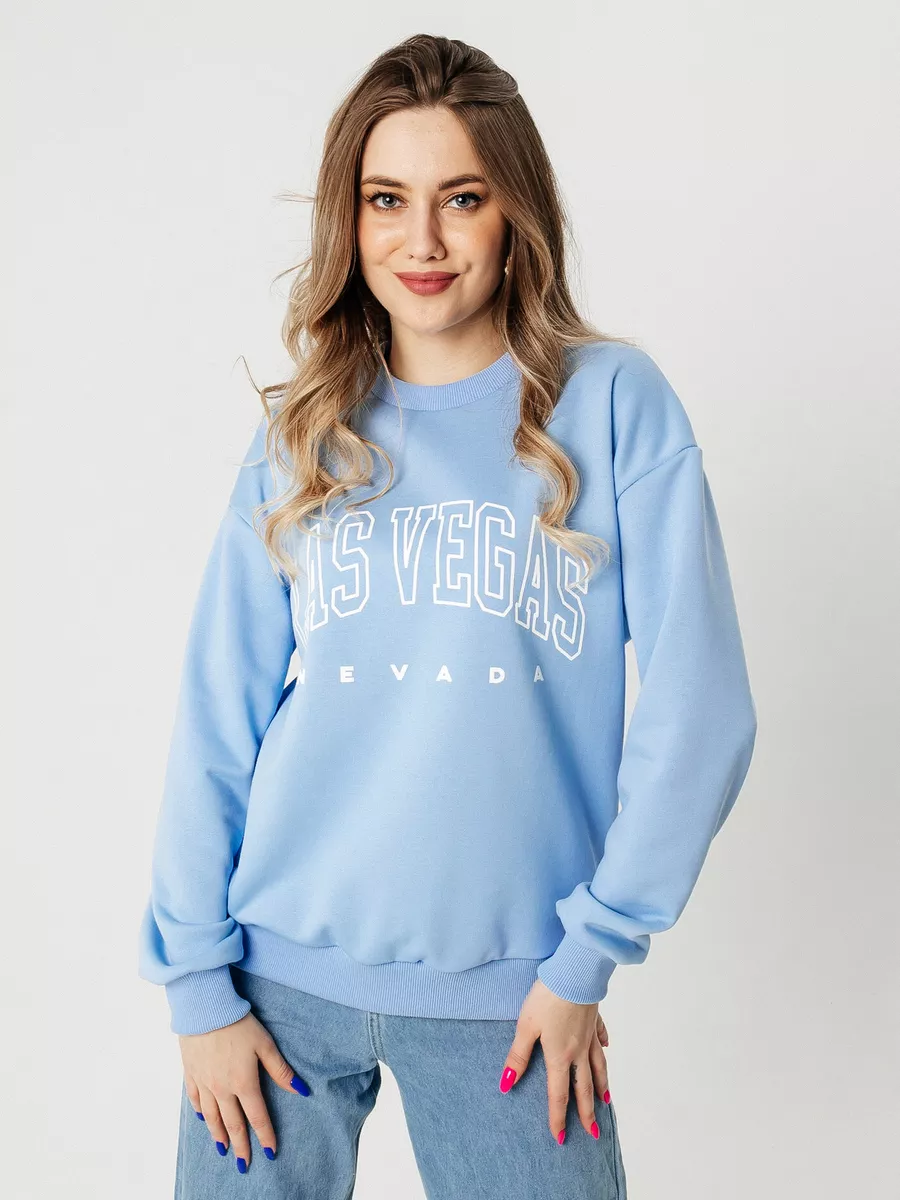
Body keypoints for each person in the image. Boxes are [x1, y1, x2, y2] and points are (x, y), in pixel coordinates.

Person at [138, 32, 757, 1200]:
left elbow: (704, 713)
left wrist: (587, 957)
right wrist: (196, 987)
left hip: (517, 1002)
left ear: (516, 211)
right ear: (350, 217)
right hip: (269, 992)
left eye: (461, 198)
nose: (421, 240)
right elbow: (217, 719)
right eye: (387, 200)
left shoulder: (612, 405)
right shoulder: (303, 432)